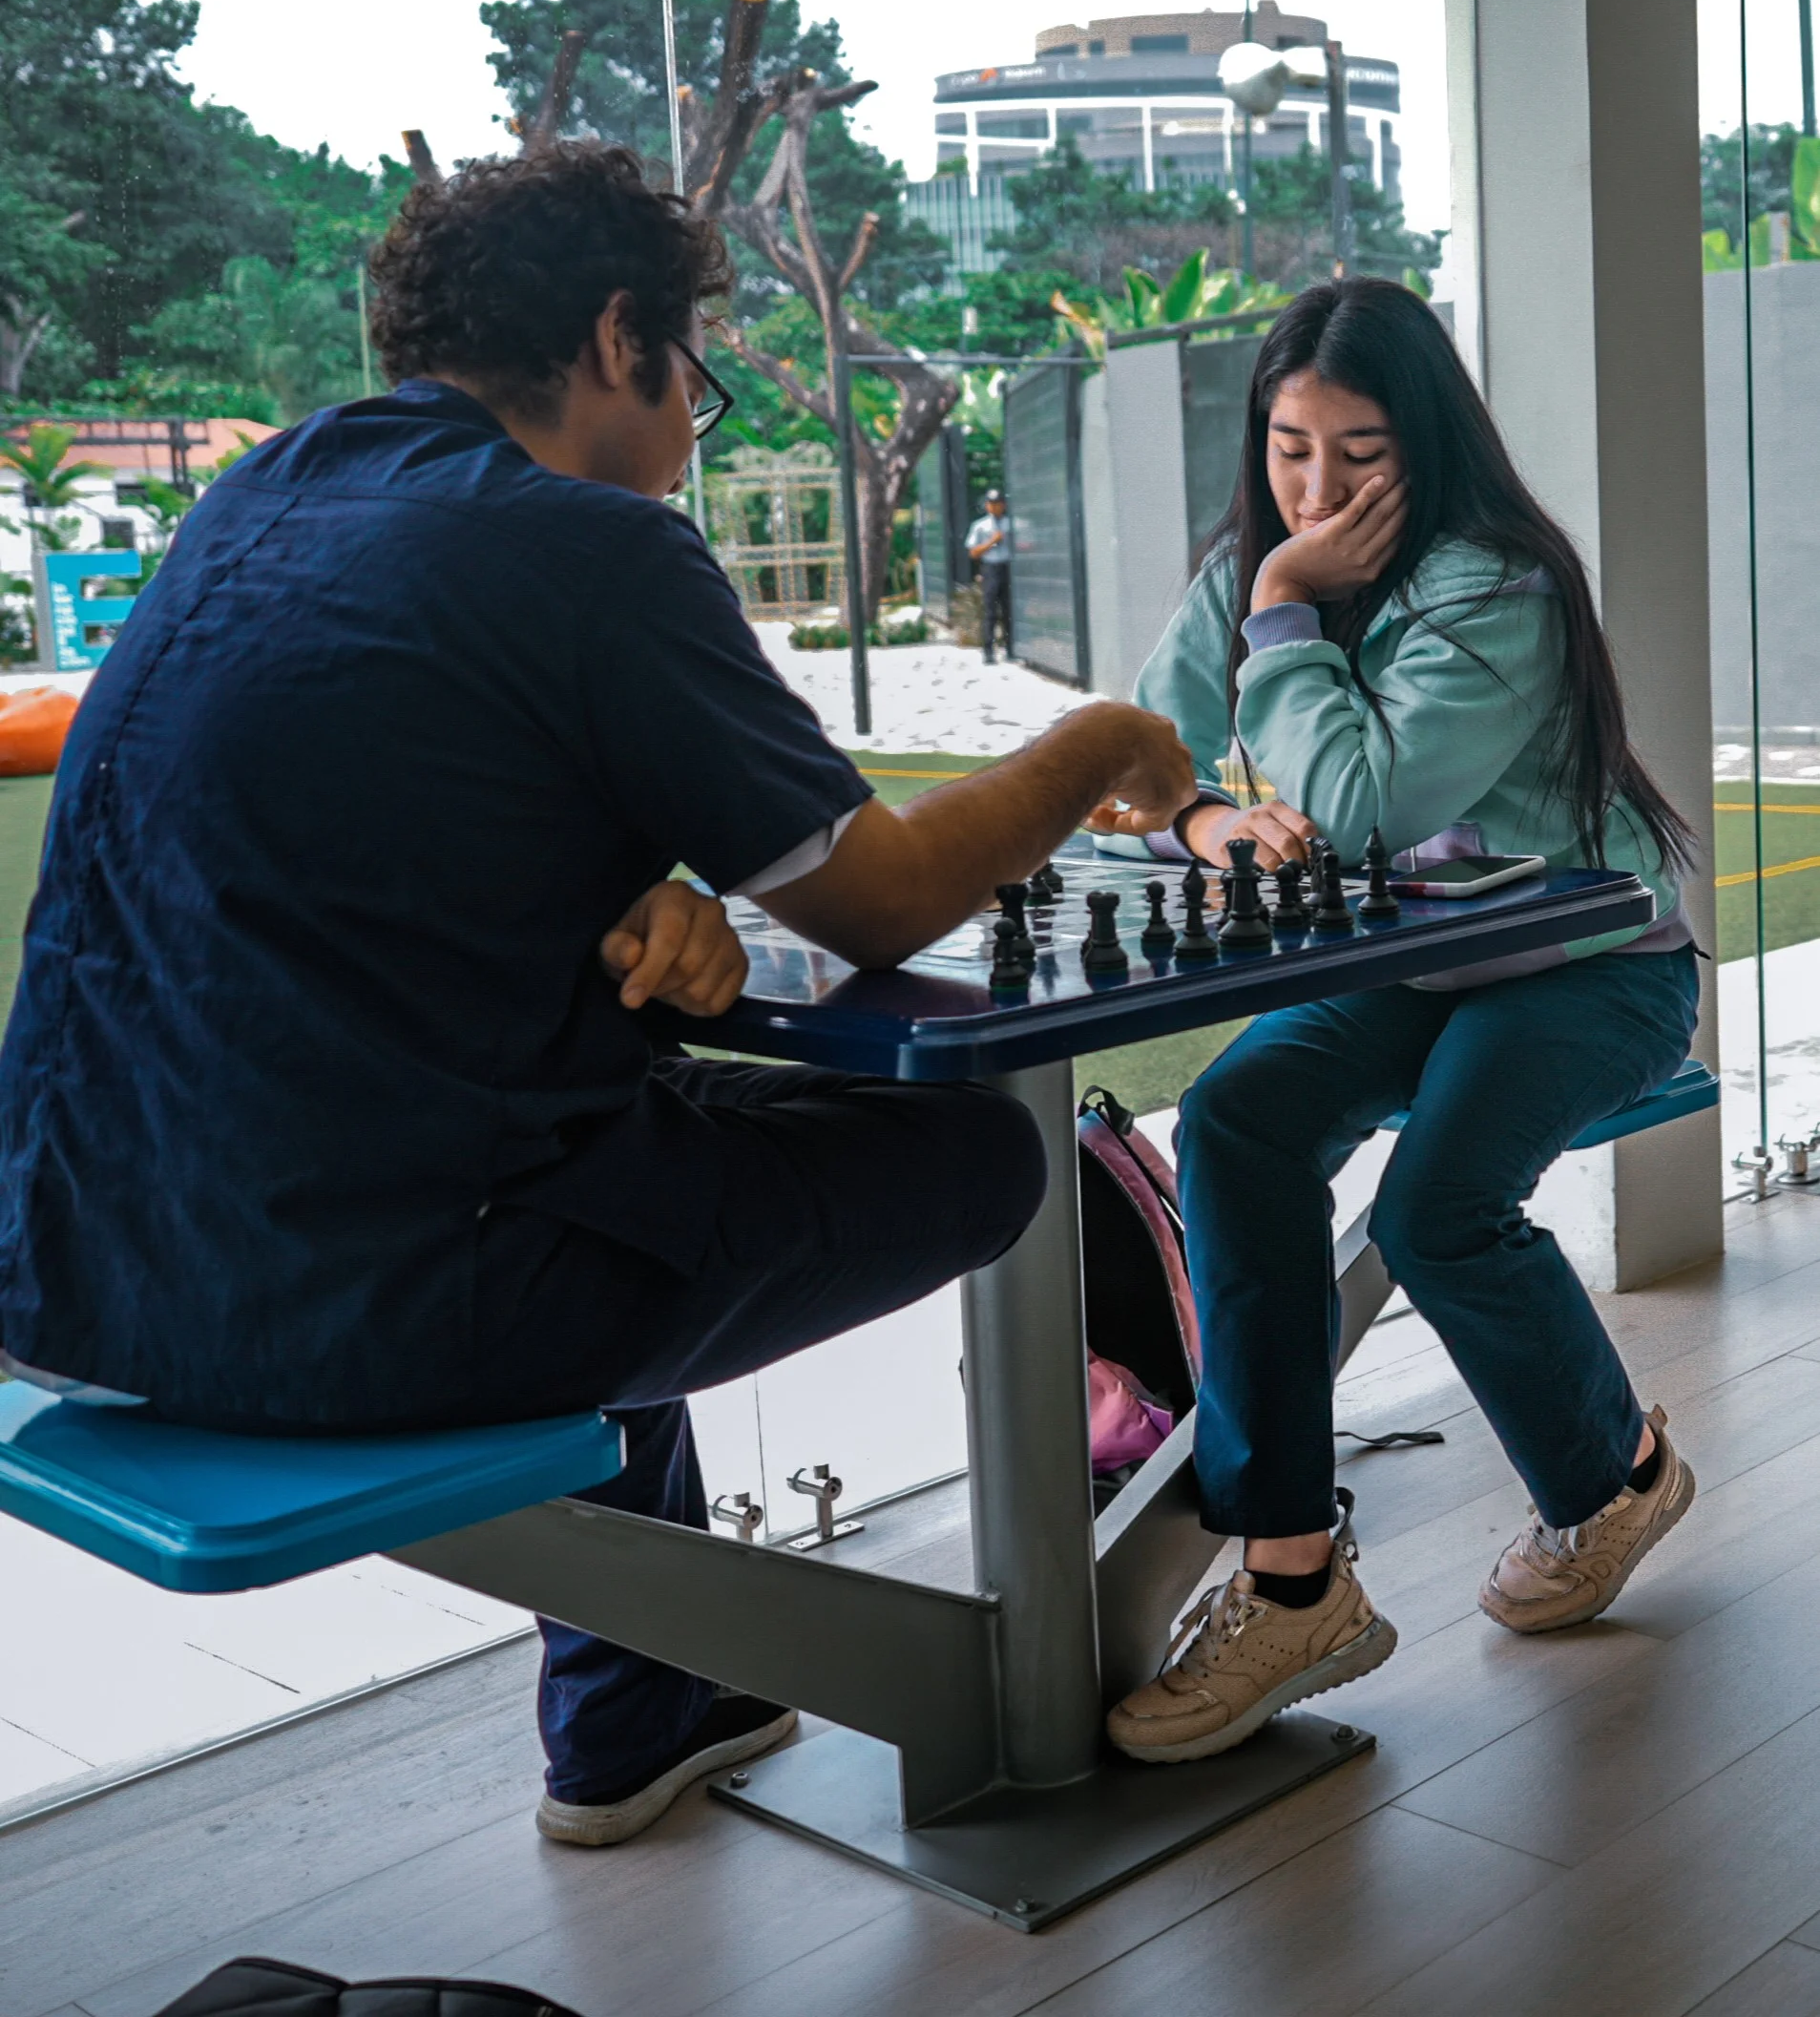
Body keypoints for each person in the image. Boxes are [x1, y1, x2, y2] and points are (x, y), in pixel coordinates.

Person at [0, 143, 1196, 1844]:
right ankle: (981, 1707)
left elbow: (356, 817)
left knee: (612, 1124)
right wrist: (1100, 741)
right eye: (695, 375)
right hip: (354, 1302)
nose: (693, 425)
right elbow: (881, 894)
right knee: (978, 1159)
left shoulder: (261, 495)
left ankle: (635, 1711)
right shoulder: (584, 546)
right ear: (622, 337)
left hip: (74, 1260)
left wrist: (619, 889)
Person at [1093, 276, 1701, 1767]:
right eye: (1288, 447)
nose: (1312, 487)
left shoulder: (1492, 583)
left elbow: (1362, 812)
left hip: (1588, 965)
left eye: (1354, 454)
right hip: (1410, 971)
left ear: (1424, 443)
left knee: (1434, 1207)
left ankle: (1612, 1475)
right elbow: (1127, 764)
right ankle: (1290, 1574)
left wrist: (1284, 614)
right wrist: (1197, 824)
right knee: (1233, 1118)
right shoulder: (1251, 566)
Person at [965, 488, 1013, 663]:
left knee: (1009, 610)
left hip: (1008, 566)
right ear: (986, 505)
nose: (994, 507)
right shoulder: (980, 526)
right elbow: (973, 552)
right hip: (991, 568)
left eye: (998, 503)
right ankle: (988, 651)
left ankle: (1010, 647)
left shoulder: (1011, 524)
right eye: (991, 504)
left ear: (1003, 505)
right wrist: (992, 541)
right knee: (990, 611)